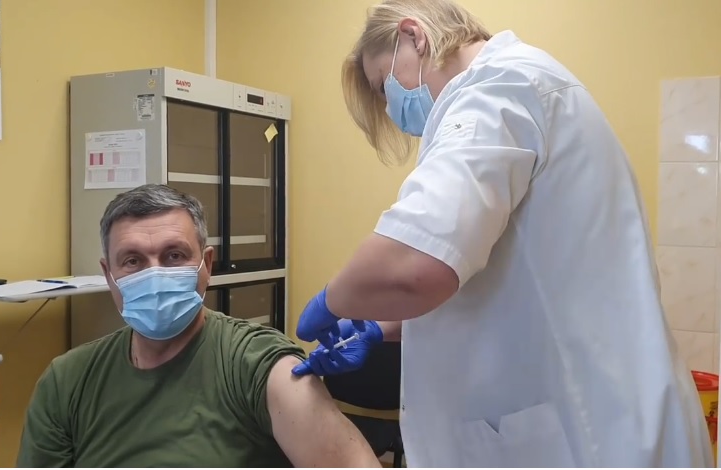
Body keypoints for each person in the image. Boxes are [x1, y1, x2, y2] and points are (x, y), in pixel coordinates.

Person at [291, 0, 714, 467]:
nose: (390, 107)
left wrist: (333, 300)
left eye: (382, 84)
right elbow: (497, 282)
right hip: (594, 418)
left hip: (593, 437)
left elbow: (414, 268)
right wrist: (380, 327)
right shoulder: (521, 87)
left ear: (414, 35)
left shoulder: (497, 88)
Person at [16, 184, 380, 468]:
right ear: (108, 274)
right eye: (133, 261)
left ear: (207, 265)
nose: (155, 275)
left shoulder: (257, 364)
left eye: (174, 255)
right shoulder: (67, 382)